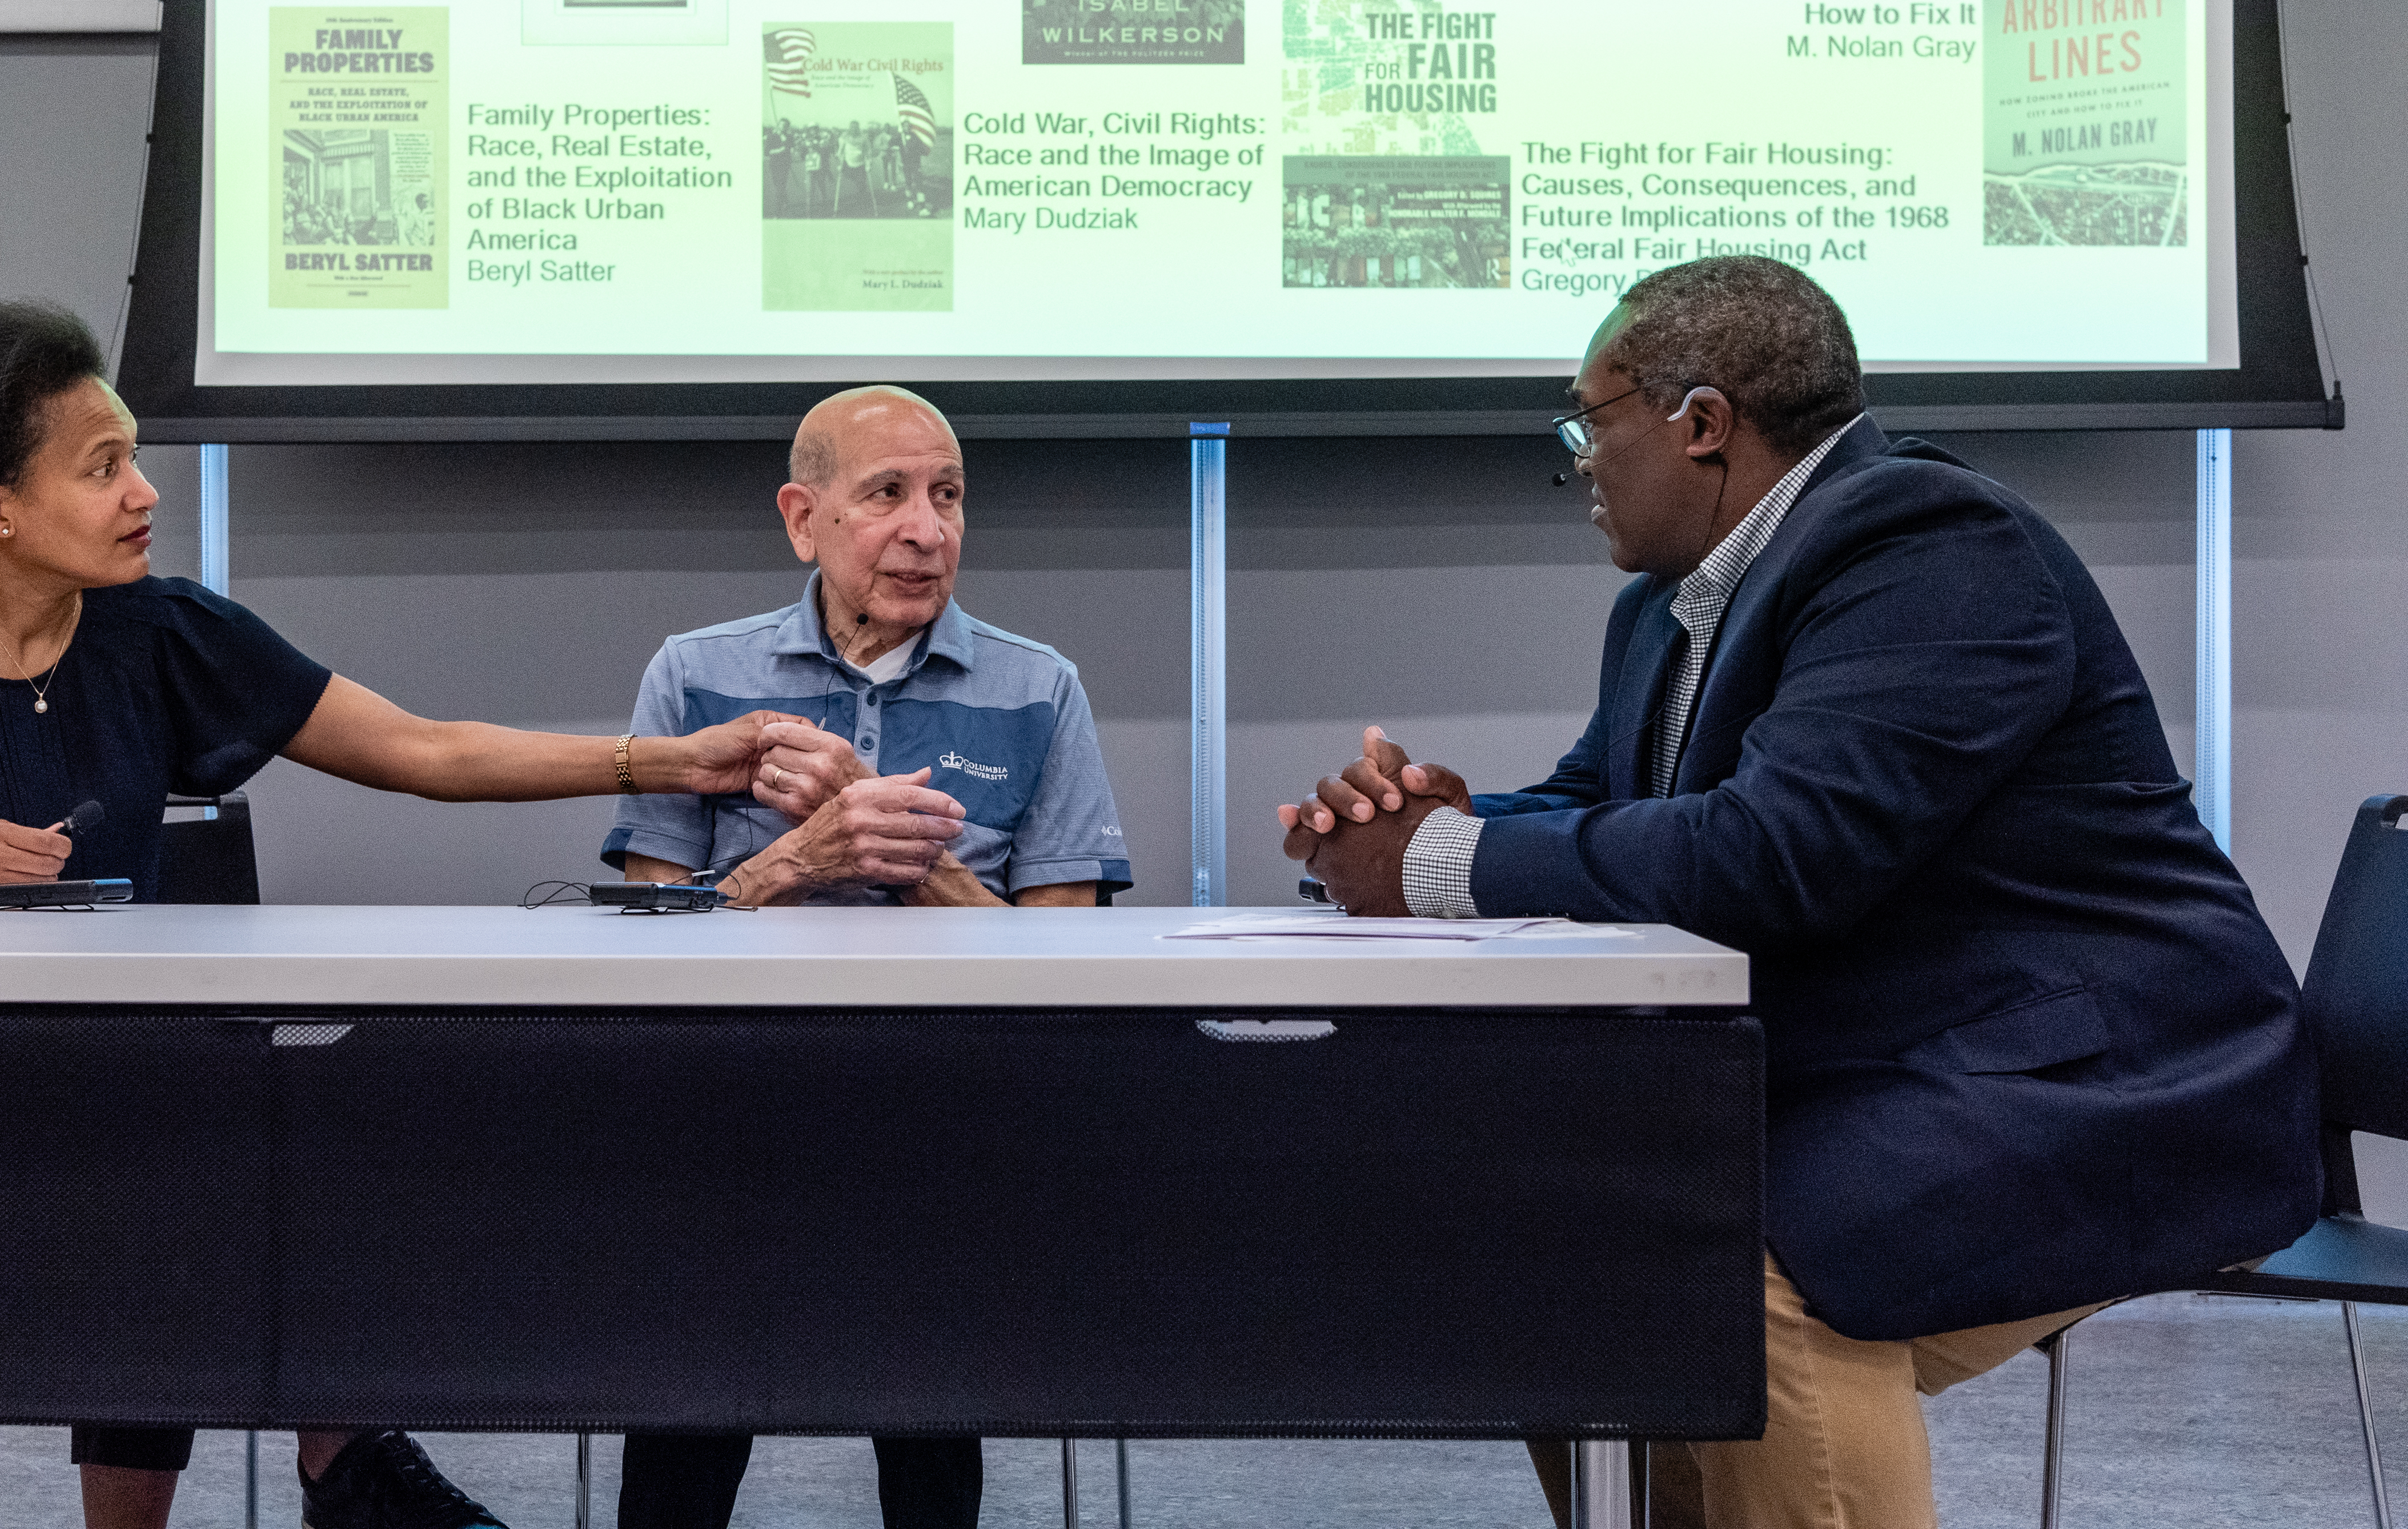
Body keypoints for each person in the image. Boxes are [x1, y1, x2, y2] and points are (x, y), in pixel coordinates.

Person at [0, 300, 790, 1529]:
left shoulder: (163, 630)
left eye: (136, 455)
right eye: (103, 470)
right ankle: (342, 1456)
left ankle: (331, 1443)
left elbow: (423, 750)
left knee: (248, 1137)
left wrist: (673, 762)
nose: (145, 492)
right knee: (186, 1168)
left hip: (120, 1078)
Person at [1277, 256, 2318, 1529]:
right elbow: (1608, 803)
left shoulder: (1932, 547)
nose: (1577, 461)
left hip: (2111, 1077)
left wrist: (1431, 868)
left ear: (1702, 424)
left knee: (1742, 1264)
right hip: (1912, 1060)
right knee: (1566, 1234)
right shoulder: (1671, 604)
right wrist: (1433, 827)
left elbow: (1779, 855)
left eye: (1590, 423)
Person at [604, 384, 1131, 1529]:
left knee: (932, 1420)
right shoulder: (698, 681)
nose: (927, 529)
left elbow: (1071, 974)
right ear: (805, 519)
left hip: (945, 1110)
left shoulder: (1039, 690)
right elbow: (647, 948)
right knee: (688, 1411)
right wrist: (792, 861)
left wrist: (916, 869)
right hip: (735, 1105)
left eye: (947, 495)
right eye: (887, 493)